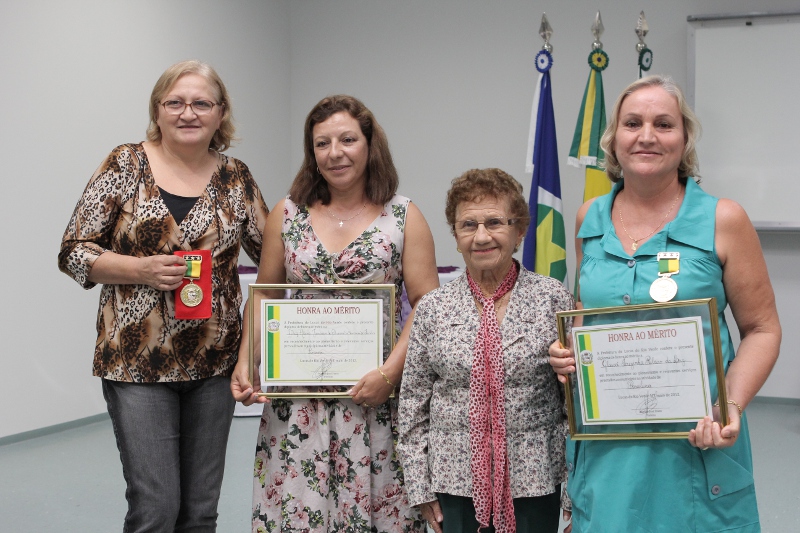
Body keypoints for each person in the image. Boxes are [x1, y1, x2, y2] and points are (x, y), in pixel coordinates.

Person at [549, 75, 781, 532]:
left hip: (697, 441)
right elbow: (586, 314)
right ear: (614, 140)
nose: (647, 136)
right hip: (608, 445)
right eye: (633, 123)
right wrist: (566, 351)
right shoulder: (589, 218)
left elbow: (763, 329)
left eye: (664, 124)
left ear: (685, 138)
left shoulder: (724, 219)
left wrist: (730, 405)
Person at [58, 60, 270, 532]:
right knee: (155, 508)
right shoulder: (125, 164)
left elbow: (274, 255)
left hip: (215, 362)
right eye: (175, 102)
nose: (187, 113)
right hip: (137, 362)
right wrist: (141, 269)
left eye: (201, 103)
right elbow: (74, 250)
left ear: (221, 113)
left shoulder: (236, 176)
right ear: (157, 110)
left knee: (199, 513)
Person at [231, 95, 440, 533]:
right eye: (322, 143)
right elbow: (266, 293)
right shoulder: (287, 214)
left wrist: (389, 375)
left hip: (374, 396)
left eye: (347, 139)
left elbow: (427, 304)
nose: (334, 153)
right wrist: (247, 362)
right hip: (298, 400)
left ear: (369, 145)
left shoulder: (403, 216)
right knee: (297, 509)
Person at [398, 168, 574, 533]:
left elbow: (574, 403)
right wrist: (419, 487)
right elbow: (412, 404)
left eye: (495, 222)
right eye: (468, 225)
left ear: (519, 230)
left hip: (535, 477)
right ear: (456, 236)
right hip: (454, 482)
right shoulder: (433, 309)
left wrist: (575, 491)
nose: (481, 236)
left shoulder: (552, 298)